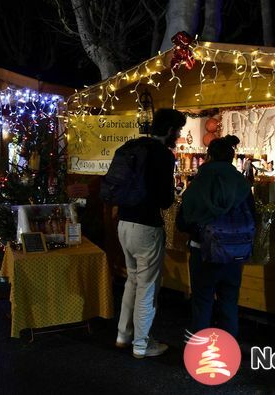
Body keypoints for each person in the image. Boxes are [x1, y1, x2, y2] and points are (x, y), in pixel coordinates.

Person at [115, 108, 186, 359]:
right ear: (169, 130)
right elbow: (166, 200)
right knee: (147, 287)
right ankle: (142, 344)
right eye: (177, 131)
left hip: (123, 222)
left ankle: (124, 335)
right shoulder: (163, 155)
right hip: (146, 226)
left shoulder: (132, 146)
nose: (178, 135)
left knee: (132, 280)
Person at [178, 135, 254, 338]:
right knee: (229, 301)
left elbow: (183, 221)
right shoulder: (243, 185)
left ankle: (200, 353)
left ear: (209, 156)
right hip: (235, 253)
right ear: (231, 158)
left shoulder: (199, 183)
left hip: (203, 251)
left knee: (203, 300)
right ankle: (228, 351)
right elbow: (252, 217)